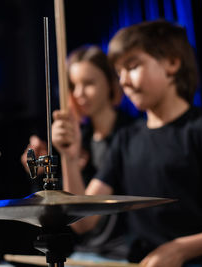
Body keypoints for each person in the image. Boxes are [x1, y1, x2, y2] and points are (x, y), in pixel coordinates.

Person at [52, 20, 202, 267]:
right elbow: (83, 221)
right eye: (119, 72)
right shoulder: (126, 139)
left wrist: (181, 249)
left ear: (172, 63)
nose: (123, 81)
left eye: (132, 67)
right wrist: (68, 157)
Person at [21, 45, 135, 260]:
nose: (79, 93)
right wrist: (39, 173)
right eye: (73, 86)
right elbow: (71, 215)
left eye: (89, 83)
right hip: (84, 251)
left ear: (111, 83)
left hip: (124, 252)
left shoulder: (132, 134)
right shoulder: (77, 139)